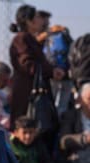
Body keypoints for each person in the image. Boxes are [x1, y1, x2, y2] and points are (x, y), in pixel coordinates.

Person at [9, 4, 65, 153]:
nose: (41, 20)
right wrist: (51, 71)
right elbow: (28, 65)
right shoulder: (21, 39)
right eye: (38, 17)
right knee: (26, 133)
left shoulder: (30, 39)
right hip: (27, 96)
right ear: (29, 21)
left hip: (33, 94)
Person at [59, 83, 90, 163]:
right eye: (89, 99)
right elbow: (63, 141)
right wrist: (85, 139)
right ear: (80, 100)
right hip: (76, 161)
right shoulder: (71, 116)